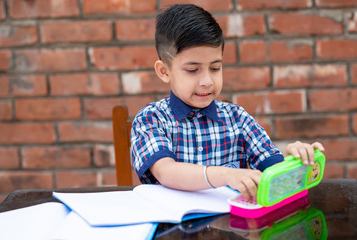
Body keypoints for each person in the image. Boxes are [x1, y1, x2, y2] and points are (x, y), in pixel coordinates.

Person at [130, 4, 325, 200]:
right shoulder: (151, 119)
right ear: (164, 71)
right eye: (192, 70)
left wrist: (296, 163)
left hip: (234, 226)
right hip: (172, 227)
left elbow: (277, 178)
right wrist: (225, 174)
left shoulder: (237, 118)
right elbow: (167, 172)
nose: (207, 81)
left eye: (215, 68)